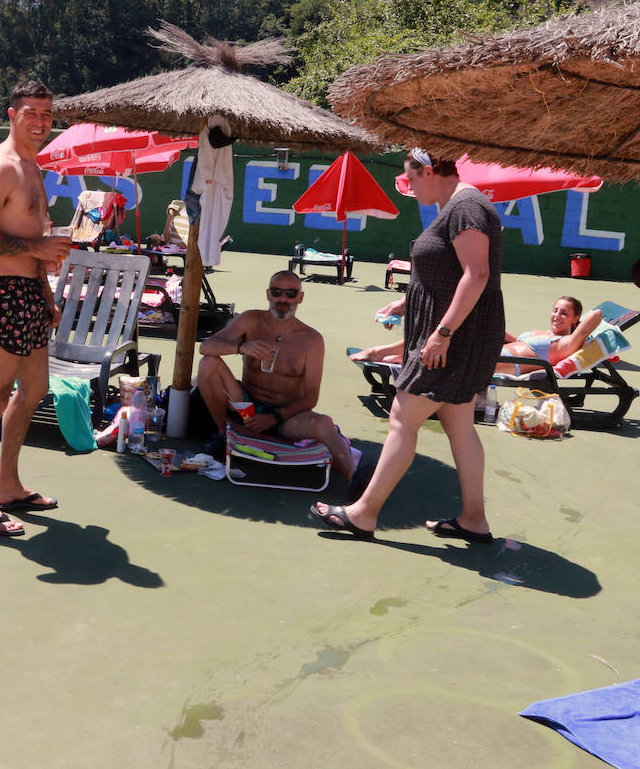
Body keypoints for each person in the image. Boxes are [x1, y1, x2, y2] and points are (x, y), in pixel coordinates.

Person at [312, 148, 504, 544]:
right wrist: (410, 298)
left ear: (430, 171)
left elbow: (477, 273)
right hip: (460, 335)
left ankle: (363, 514)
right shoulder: (458, 205)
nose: (407, 186)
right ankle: (474, 520)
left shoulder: (466, 206)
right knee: (459, 425)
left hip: (454, 339)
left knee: (403, 418)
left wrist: (442, 334)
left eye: (411, 178)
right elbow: (450, 272)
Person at [0, 80, 72, 537]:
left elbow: (33, 247)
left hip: (28, 295)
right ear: (12, 114)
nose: (41, 122)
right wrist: (38, 245)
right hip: (1, 293)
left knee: (35, 389)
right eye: (31, 113)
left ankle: (7, 487)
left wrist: (46, 294)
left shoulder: (33, 167)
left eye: (47, 114)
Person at [196, 270, 356, 479]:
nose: (283, 299)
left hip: (285, 418)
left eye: (290, 294)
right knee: (208, 364)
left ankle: (356, 480)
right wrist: (242, 347)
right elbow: (207, 347)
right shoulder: (251, 320)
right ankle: (222, 434)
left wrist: (273, 418)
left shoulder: (311, 340)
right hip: (247, 407)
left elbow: (310, 397)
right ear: (268, 294)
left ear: (300, 298)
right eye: (277, 292)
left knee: (324, 423)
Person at [350, 296, 601, 373]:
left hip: (503, 363)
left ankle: (379, 353)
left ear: (576, 319)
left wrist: (591, 318)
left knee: (443, 338)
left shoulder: (567, 343)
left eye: (564, 313)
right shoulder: (543, 333)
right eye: (555, 310)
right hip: (497, 351)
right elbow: (517, 342)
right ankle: (396, 357)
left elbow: (595, 316)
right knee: (443, 332)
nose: (556, 316)